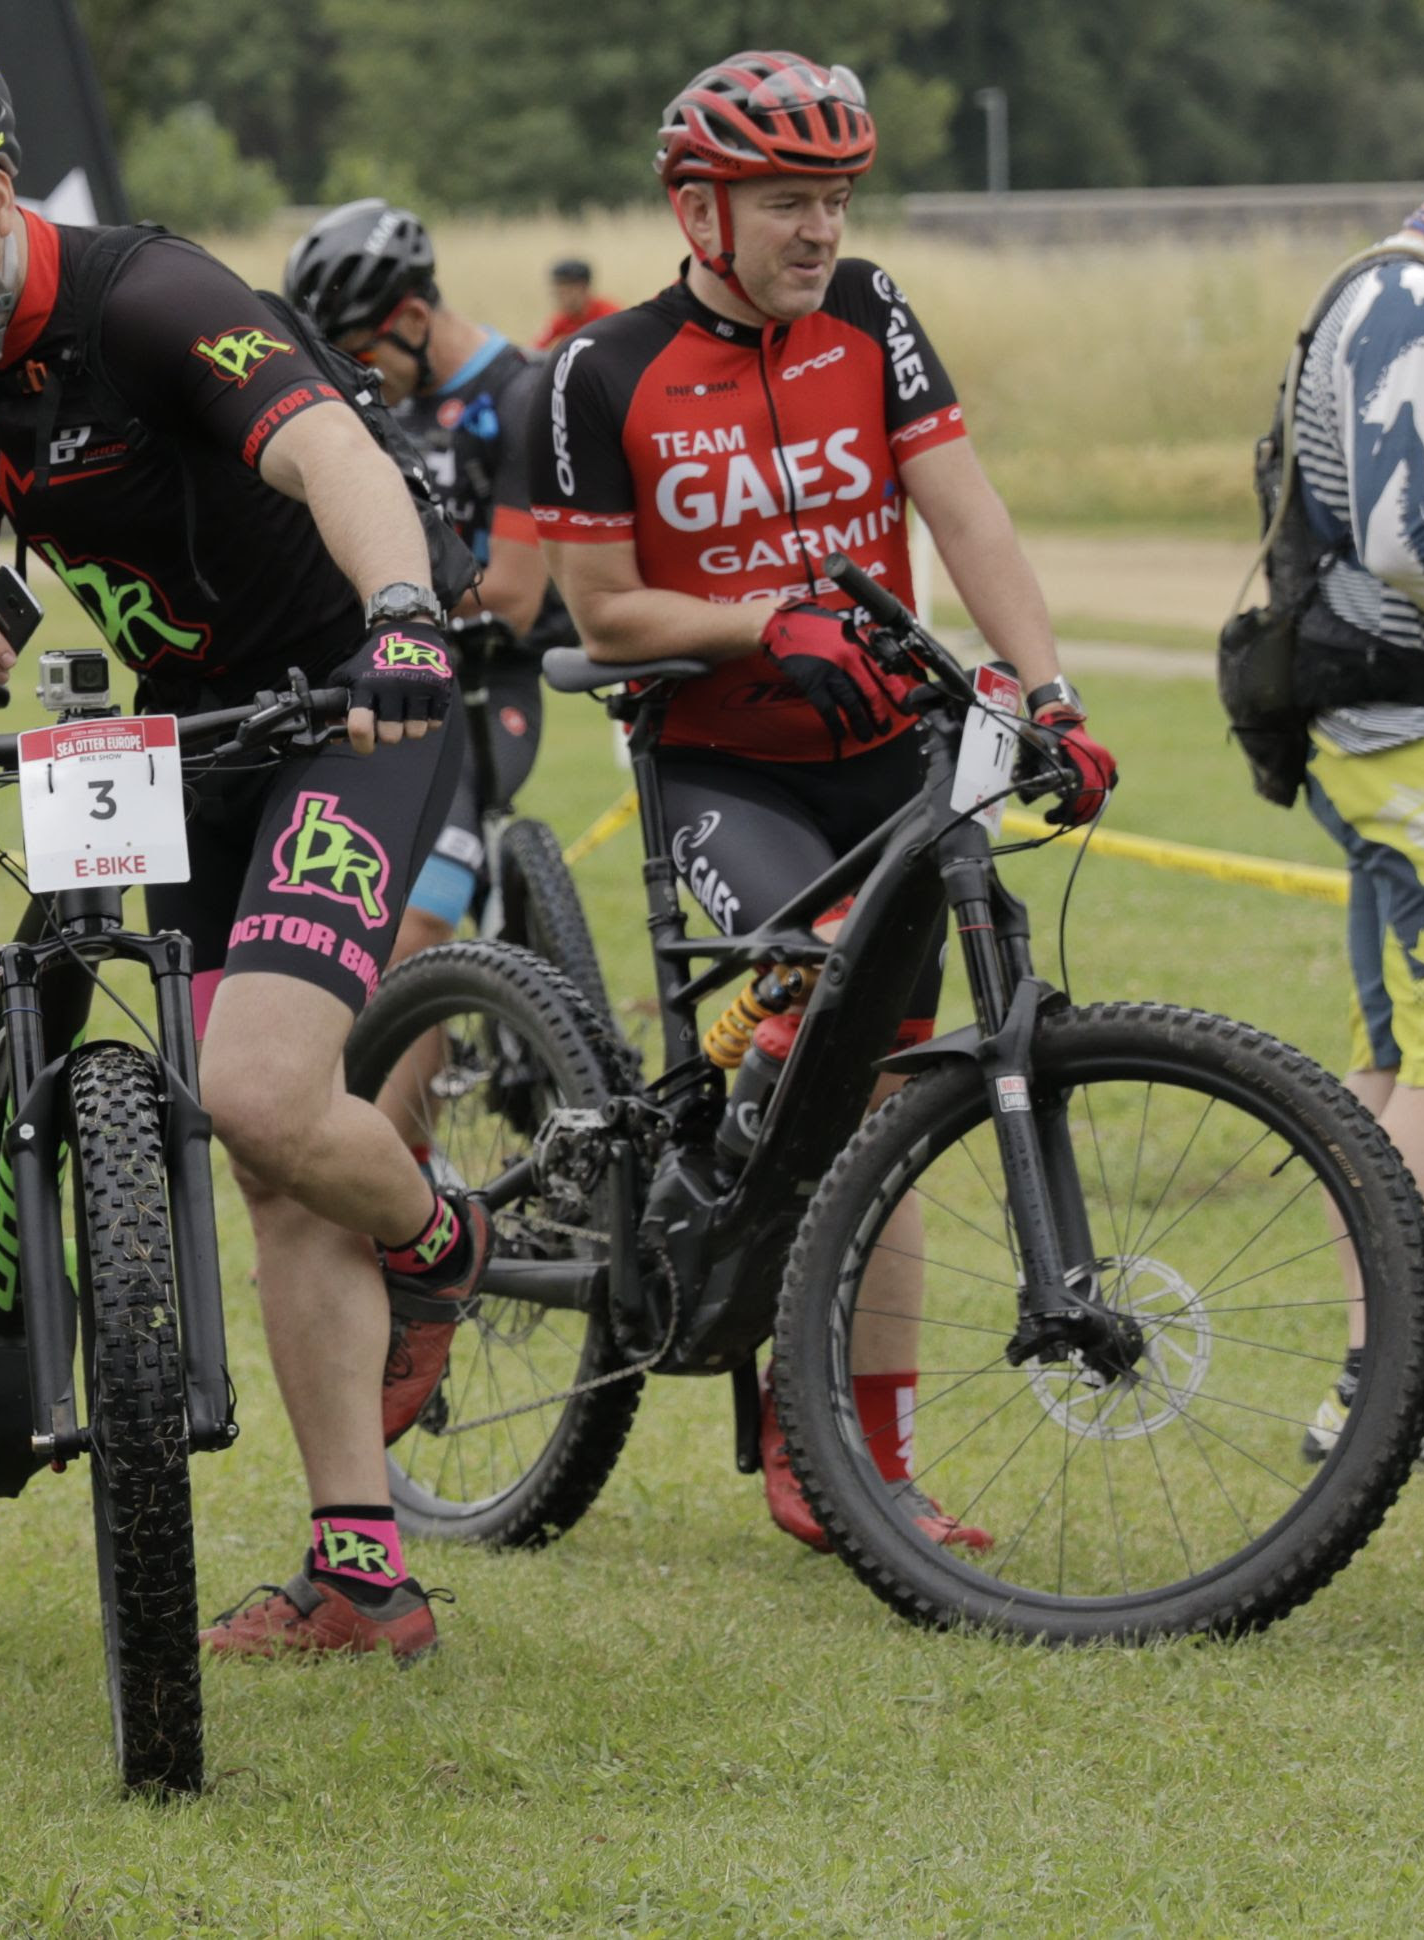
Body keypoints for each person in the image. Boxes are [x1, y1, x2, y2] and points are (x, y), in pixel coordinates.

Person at [0, 42, 491, 1660]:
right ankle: (360, 1574)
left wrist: (400, 617)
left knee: (257, 1093)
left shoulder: (152, 299)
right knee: (267, 1151)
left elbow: (333, 453)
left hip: (346, 712)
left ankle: (442, 1241)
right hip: (180, 740)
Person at [528, 50, 1116, 1552]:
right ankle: (718, 1190)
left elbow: (963, 507)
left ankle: (858, 1460)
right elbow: (600, 614)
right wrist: (763, 620)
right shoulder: (598, 372)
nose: (820, 229)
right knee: (823, 971)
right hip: (721, 768)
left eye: (837, 198)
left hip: (889, 749)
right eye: (787, 200)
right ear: (698, 212)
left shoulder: (870, 313)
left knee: (890, 1095)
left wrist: (1051, 695)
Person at [284, 199, 568, 1000]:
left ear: (411, 318)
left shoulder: (521, 396)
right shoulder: (379, 402)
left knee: (409, 924)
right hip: (377, 673)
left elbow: (512, 594)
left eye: (357, 355)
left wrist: (384, 596)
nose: (352, 379)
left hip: (483, 684)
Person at [1279, 174, 1424, 1469]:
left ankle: (1369, 1387)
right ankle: (1408, 1390)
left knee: (1391, 1052)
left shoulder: (1406, 289)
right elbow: (1413, 540)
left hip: (1386, 727)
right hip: (1409, 730)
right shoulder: (1407, 299)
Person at [534, 258, 619, 351]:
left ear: (584, 288)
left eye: (567, 292)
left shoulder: (610, 316)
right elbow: (535, 348)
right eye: (557, 293)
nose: (561, 299)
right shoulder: (561, 318)